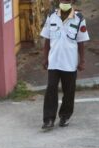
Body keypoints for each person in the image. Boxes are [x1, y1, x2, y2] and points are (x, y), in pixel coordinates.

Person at [40, 0, 90, 130]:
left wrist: (82, 60)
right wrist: (45, 58)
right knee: (51, 89)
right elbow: (47, 39)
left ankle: (65, 116)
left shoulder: (79, 18)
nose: (65, 2)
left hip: (70, 62)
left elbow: (81, 42)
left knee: (69, 91)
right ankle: (48, 119)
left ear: (72, 1)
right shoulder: (51, 16)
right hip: (54, 61)